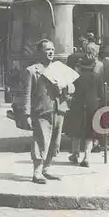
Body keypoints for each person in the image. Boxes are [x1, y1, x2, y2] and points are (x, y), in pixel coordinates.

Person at [20, 39, 75, 184]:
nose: (51, 52)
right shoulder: (32, 71)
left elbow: (71, 88)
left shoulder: (59, 68)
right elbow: (26, 94)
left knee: (55, 142)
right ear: (39, 52)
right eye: (47, 50)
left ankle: (47, 169)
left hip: (59, 109)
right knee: (41, 141)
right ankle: (37, 172)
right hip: (42, 111)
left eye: (52, 49)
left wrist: (67, 87)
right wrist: (26, 115)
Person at [66, 46, 104, 167]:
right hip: (92, 101)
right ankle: (87, 157)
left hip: (78, 100)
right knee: (90, 130)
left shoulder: (77, 66)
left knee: (76, 128)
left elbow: (72, 83)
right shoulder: (99, 67)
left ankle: (75, 154)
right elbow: (101, 87)